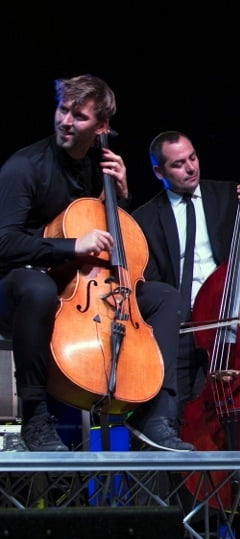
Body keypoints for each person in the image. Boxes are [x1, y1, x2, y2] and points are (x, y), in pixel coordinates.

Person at [0, 74, 192, 453]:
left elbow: (110, 234)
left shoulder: (96, 167)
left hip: (76, 285)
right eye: (62, 110)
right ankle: (35, 419)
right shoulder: (24, 167)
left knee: (165, 298)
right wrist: (71, 246)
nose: (65, 121)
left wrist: (120, 196)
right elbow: (4, 243)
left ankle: (153, 416)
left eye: (79, 116)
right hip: (17, 287)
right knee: (37, 289)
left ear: (102, 126)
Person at [132, 130, 240, 539]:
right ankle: (190, 536)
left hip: (229, 331)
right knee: (182, 433)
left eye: (193, 157)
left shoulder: (229, 197)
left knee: (236, 434)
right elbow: (145, 283)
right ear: (159, 172)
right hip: (179, 335)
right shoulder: (145, 217)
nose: (190, 168)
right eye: (178, 164)